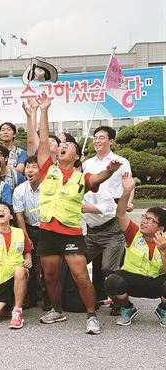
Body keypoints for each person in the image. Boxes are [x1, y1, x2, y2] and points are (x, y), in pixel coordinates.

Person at [35, 92, 120, 335]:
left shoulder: (82, 178)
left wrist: (110, 172)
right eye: (61, 146)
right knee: (50, 277)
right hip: (48, 231)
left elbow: (99, 177)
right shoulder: (47, 170)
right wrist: (44, 110)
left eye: (68, 146)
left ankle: (92, 316)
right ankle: (57, 310)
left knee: (81, 276)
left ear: (78, 156)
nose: (62, 147)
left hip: (71, 234)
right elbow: (43, 142)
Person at [104, 173, 166, 327]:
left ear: (161, 228)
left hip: (155, 283)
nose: (143, 221)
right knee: (111, 281)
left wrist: (163, 251)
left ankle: (163, 308)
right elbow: (120, 214)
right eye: (144, 217)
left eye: (150, 220)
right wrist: (127, 191)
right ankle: (127, 308)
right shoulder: (134, 232)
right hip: (132, 279)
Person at [82, 126, 132, 313]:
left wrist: (128, 202)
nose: (96, 141)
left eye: (101, 138)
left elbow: (128, 185)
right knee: (84, 262)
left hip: (113, 212)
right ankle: (94, 297)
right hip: (92, 219)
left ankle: (120, 302)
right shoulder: (87, 163)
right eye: (95, 138)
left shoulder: (121, 161)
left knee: (109, 268)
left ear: (111, 141)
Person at [13, 156, 45, 308]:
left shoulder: (48, 188)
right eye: (27, 167)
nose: (30, 170)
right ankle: (32, 296)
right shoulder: (19, 190)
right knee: (30, 264)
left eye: (34, 167)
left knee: (47, 265)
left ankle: (48, 298)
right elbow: (19, 216)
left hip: (47, 229)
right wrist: (26, 237)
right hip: (29, 228)